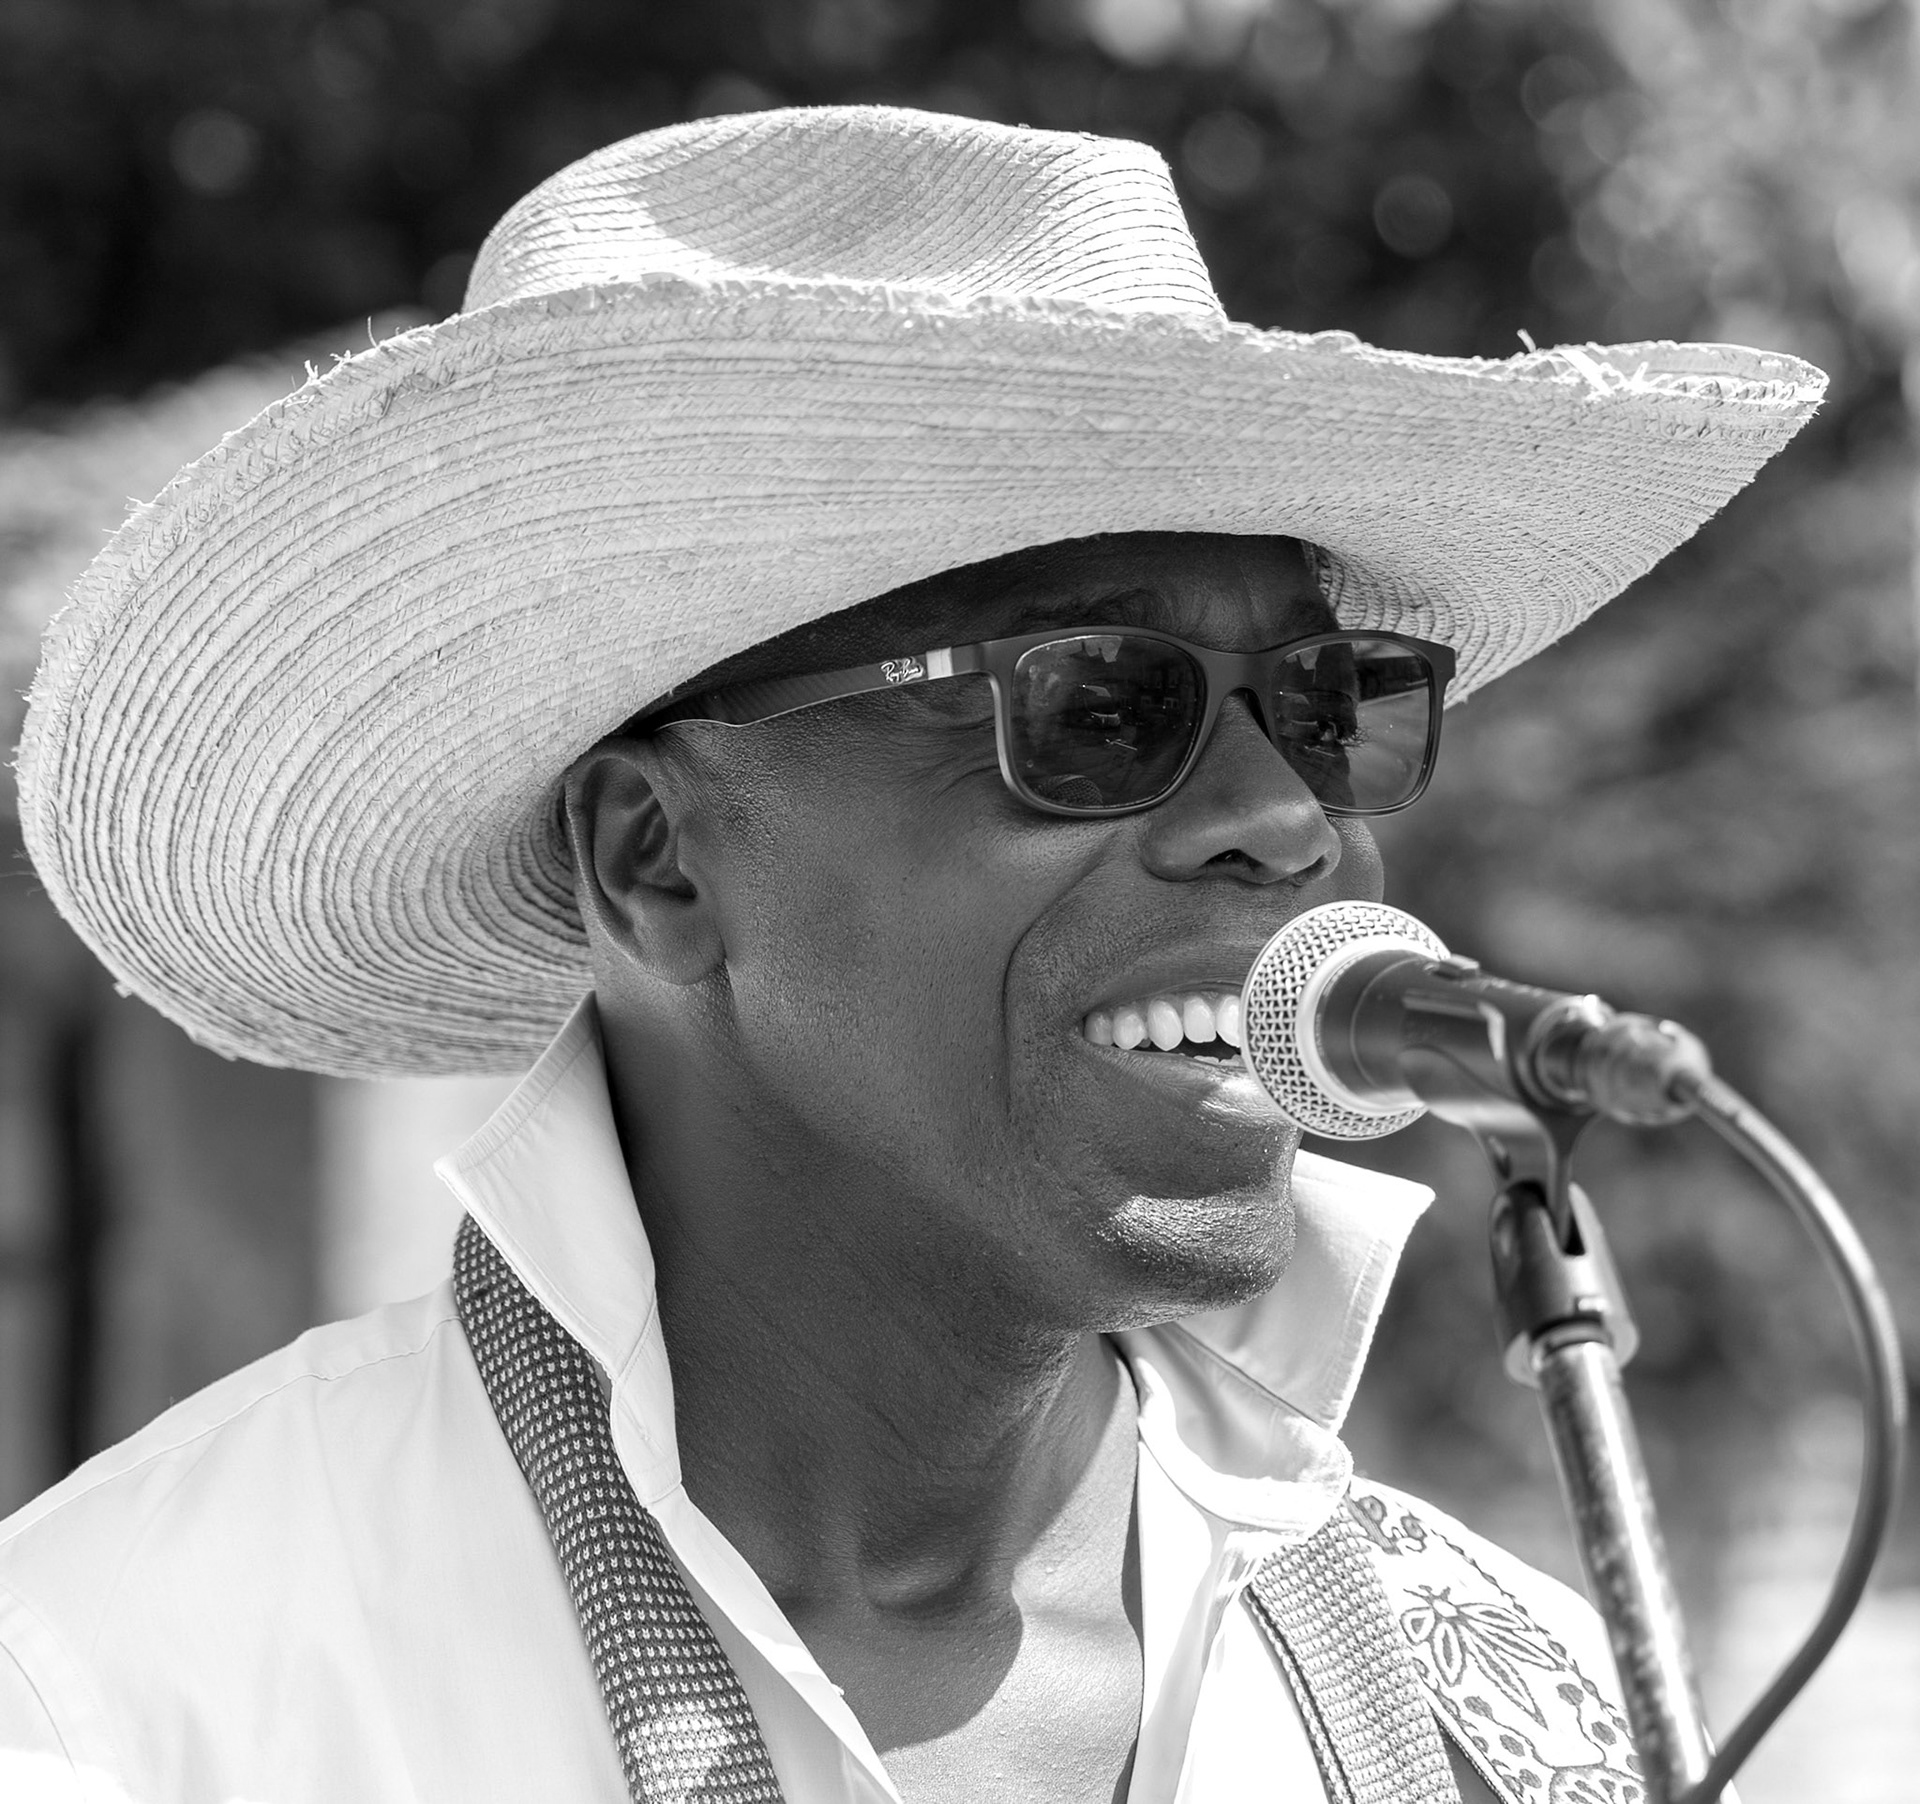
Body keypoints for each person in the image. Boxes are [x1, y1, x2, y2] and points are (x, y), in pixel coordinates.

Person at [1, 107, 1819, 1804]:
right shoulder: (140, 1690)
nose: (1288, 821)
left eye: (1330, 707)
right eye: (1103, 705)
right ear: (657, 860)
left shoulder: (1525, 1715)